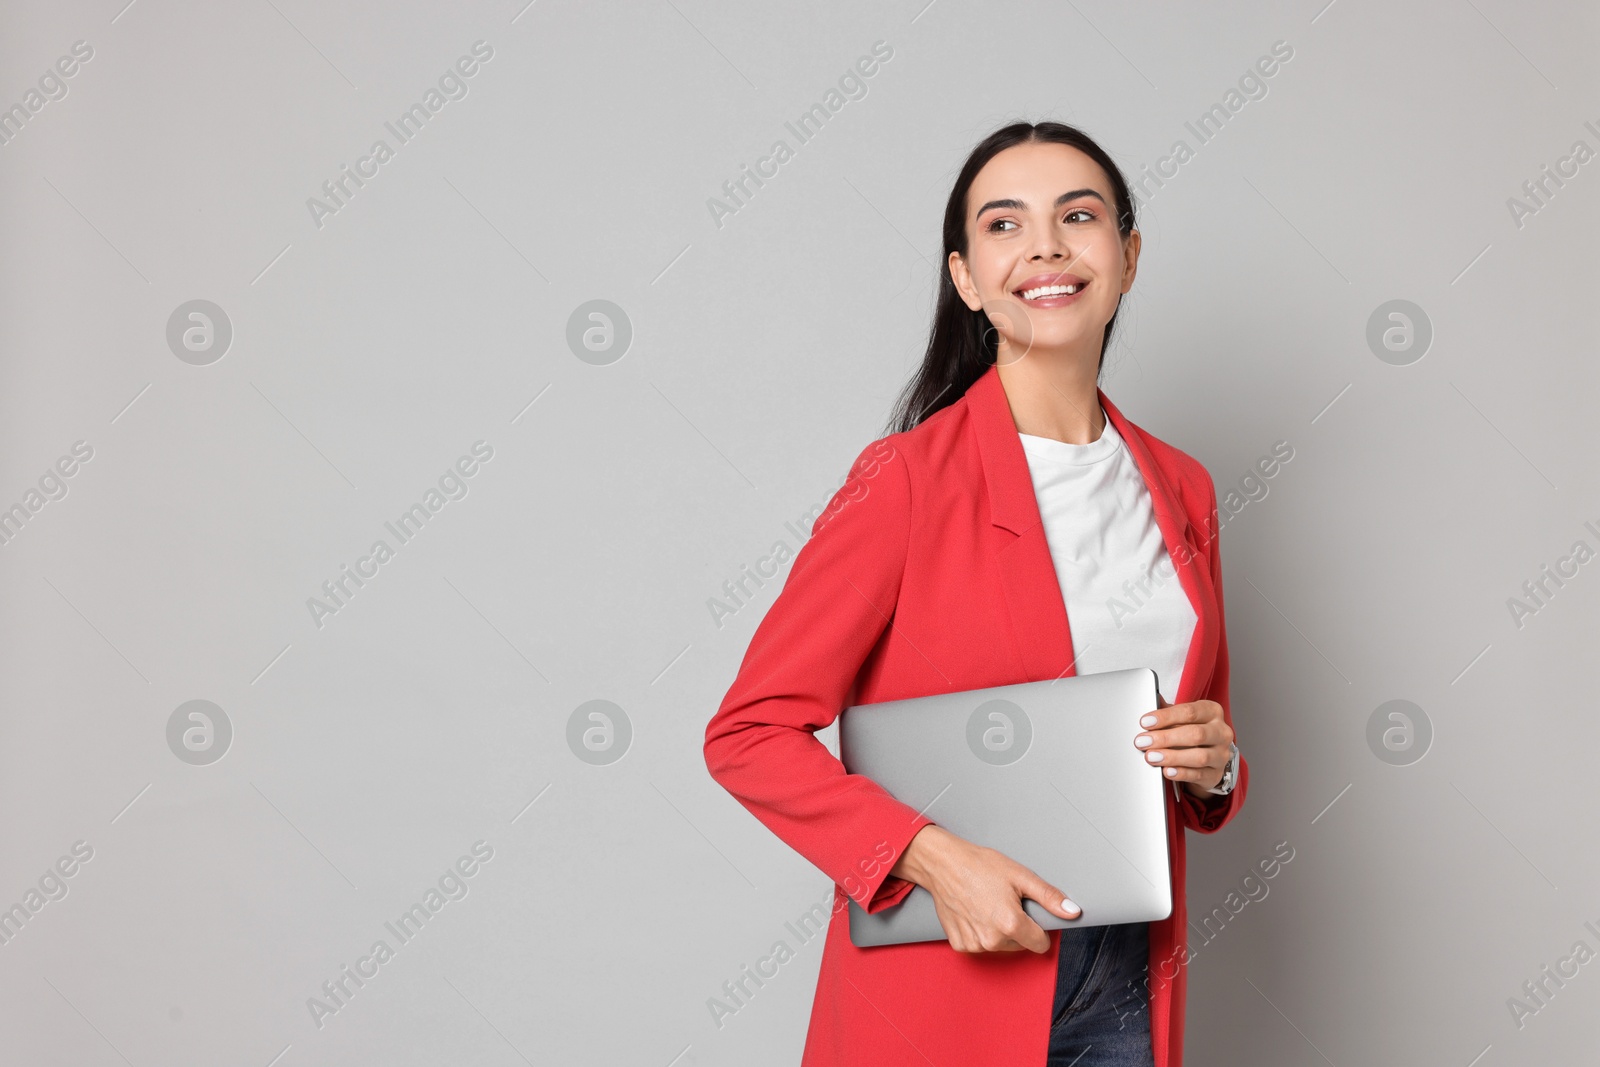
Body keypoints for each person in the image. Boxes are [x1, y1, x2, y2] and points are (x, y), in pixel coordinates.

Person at [703, 120, 1247, 1067]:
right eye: (1005, 224)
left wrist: (1218, 765)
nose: (1045, 244)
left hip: (1126, 974)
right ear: (966, 277)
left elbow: (1206, 735)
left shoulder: (1183, 486)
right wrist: (932, 858)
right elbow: (748, 733)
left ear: (1127, 256)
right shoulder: (907, 480)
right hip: (947, 978)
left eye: (1078, 216)